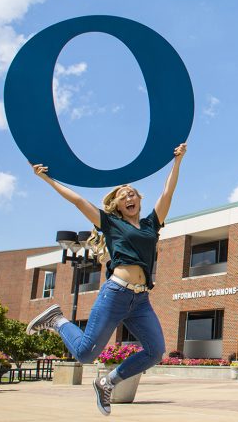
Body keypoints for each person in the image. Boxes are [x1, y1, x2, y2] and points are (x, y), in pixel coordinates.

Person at [25, 143, 186, 416]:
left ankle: (107, 382)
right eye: (124, 196)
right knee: (86, 354)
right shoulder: (111, 224)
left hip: (141, 299)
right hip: (116, 293)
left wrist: (177, 161)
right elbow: (78, 201)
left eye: (133, 193)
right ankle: (58, 320)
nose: (130, 197)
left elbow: (167, 192)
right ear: (117, 205)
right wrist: (46, 178)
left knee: (155, 351)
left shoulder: (151, 224)